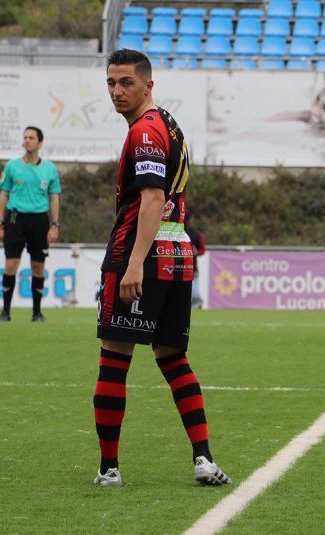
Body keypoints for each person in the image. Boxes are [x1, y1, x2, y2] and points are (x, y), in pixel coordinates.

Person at [93, 49, 230, 487]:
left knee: (114, 360)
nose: (117, 91)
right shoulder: (168, 122)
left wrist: (133, 263)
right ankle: (204, 460)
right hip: (177, 258)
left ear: (148, 85)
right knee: (173, 359)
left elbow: (152, 198)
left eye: (126, 83)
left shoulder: (146, 131)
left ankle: (109, 469)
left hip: (141, 257)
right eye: (112, 82)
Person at [0, 126, 61, 322]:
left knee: (38, 266)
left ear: (40, 143)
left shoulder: (50, 169)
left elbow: (54, 198)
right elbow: (3, 195)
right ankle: (5, 312)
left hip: (40, 220)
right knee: (11, 263)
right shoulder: (12, 166)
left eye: (31, 137)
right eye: (25, 137)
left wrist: (55, 225)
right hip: (15, 219)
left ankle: (37, 313)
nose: (27, 140)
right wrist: (0, 223)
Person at [184, 210, 207, 309]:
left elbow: (202, 249)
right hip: (180, 268)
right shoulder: (177, 231)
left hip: (192, 268)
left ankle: (197, 305)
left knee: (194, 294)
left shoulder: (195, 234)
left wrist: (197, 252)